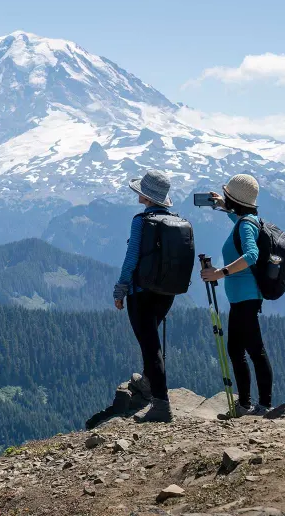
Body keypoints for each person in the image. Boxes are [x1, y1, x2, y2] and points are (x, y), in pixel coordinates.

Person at [200, 174, 273, 416]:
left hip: (246, 298)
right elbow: (241, 219)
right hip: (241, 298)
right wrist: (224, 206)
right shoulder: (247, 219)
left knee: (255, 350)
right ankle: (245, 404)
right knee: (236, 350)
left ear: (235, 200)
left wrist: (221, 273)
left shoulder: (245, 225)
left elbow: (251, 254)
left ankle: (262, 406)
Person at [113, 170, 176, 423]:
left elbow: (131, 259)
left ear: (146, 196)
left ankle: (161, 404)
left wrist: (120, 289)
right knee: (150, 341)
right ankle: (149, 383)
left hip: (141, 293)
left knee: (150, 347)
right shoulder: (172, 221)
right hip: (166, 293)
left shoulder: (141, 221)